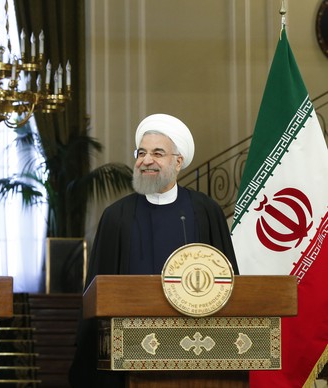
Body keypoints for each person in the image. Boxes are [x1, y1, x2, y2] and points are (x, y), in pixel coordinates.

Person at [69, 113, 238, 387]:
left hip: (196, 349)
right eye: (142, 153)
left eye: (158, 153)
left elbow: (227, 284)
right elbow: (96, 292)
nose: (146, 160)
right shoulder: (116, 216)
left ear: (178, 161)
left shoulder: (205, 211)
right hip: (128, 353)